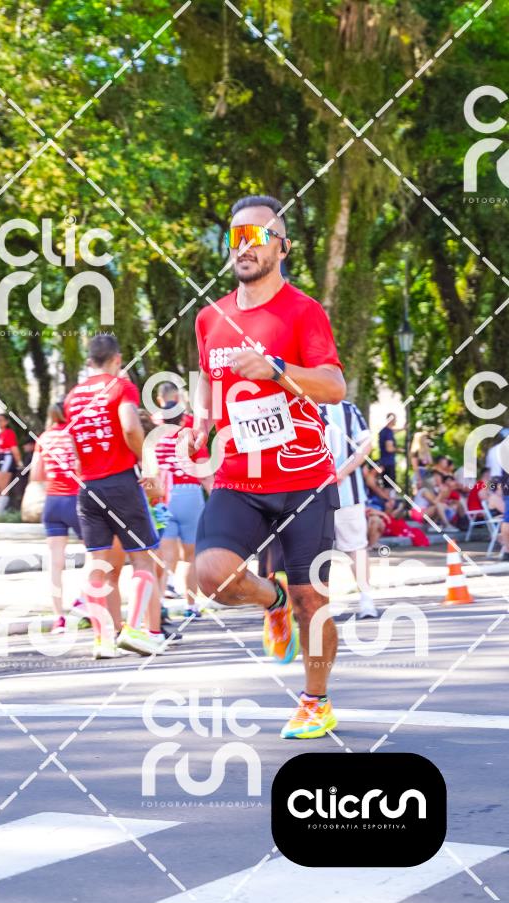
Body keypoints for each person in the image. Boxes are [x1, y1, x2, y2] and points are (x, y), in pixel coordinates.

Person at [182, 194, 345, 740]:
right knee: (210, 576)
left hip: (304, 481)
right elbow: (207, 381)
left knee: (311, 599)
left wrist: (277, 369)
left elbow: (334, 386)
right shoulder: (210, 318)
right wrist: (197, 424)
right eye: (236, 237)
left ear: (283, 247)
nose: (244, 246)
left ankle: (316, 701)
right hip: (239, 479)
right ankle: (272, 602)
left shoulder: (303, 311)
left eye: (257, 236)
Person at [64, 333, 166, 658]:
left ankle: (103, 639)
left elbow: (75, 447)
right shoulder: (121, 387)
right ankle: (134, 631)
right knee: (143, 558)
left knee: (97, 563)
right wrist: (147, 463)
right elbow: (131, 428)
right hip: (120, 482)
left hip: (87, 487)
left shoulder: (72, 398)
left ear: (89, 361)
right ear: (117, 359)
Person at [30, 403, 87, 636]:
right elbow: (82, 467)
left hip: (52, 502)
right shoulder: (75, 434)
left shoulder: (43, 438)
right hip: (76, 500)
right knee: (96, 554)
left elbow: (36, 474)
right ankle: (83, 600)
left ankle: (58, 618)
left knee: (55, 565)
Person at [152, 401, 212, 618]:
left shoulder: (155, 440)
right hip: (190, 494)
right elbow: (205, 473)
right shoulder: (191, 438)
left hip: (163, 497)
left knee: (165, 556)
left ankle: (159, 606)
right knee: (190, 556)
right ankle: (191, 606)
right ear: (182, 418)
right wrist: (216, 499)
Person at [322, 400, 378, 619]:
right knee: (356, 547)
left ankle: (318, 605)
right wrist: (343, 472)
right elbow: (366, 444)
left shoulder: (300, 404)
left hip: (314, 493)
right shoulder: (347, 408)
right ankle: (366, 600)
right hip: (347, 491)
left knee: (314, 550)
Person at [0, 413, 23, 512]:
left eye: (1, 420)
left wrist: (19, 462)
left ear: (6, 422)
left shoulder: (9, 433)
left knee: (2, 487)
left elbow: (14, 448)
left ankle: (1, 511)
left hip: (6, 459)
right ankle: (1, 509)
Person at [378, 414, 398, 484]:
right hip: (389, 463)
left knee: (386, 485)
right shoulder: (389, 432)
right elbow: (389, 449)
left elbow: (394, 431)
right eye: (395, 419)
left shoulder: (384, 431)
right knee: (390, 486)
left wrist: (403, 429)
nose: (396, 421)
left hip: (384, 462)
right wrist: (400, 450)